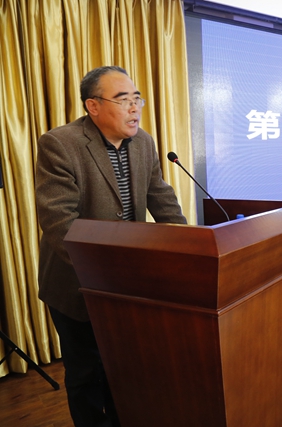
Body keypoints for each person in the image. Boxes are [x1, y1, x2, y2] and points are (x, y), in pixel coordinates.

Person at [36, 66, 187, 427]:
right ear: (93, 106)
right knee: (86, 373)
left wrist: (189, 249)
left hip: (127, 287)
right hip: (76, 283)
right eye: (123, 100)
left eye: (137, 99)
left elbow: (161, 199)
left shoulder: (144, 142)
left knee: (124, 369)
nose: (134, 108)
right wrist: (109, 271)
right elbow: (59, 221)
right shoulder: (61, 143)